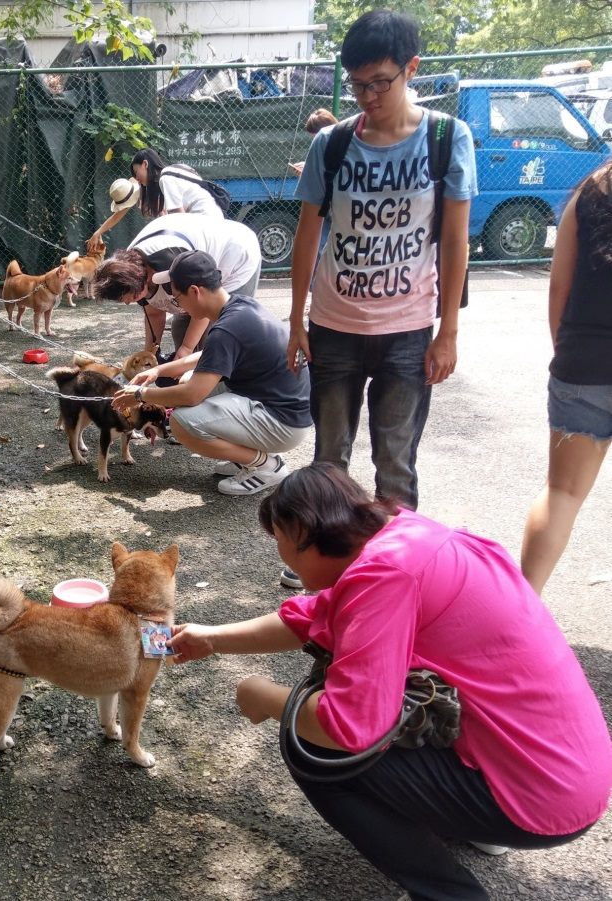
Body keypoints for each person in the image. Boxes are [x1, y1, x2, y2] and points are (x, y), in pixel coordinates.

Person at [169, 463, 612, 901]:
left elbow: (348, 727)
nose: (281, 556)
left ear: (306, 536)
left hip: (538, 799)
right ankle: (469, 815)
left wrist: (264, 698)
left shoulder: (385, 577)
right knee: (359, 695)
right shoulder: (407, 536)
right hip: (566, 769)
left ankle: (452, 891)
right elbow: (317, 615)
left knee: (315, 750)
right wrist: (212, 639)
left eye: (281, 543)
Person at [287, 10, 477, 509]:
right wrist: (295, 321)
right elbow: (307, 235)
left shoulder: (446, 137)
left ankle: (394, 573)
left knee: (395, 461)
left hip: (408, 330)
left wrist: (448, 331)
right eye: (357, 86)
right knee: (330, 460)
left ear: (411, 68)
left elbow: (456, 241)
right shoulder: (333, 144)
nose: (368, 97)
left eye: (380, 83)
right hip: (333, 326)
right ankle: (326, 566)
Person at [112, 251, 310, 497]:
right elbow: (207, 355)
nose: (178, 306)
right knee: (188, 385)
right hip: (282, 408)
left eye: (177, 297)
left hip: (282, 423)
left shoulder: (227, 328)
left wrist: (141, 395)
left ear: (195, 291)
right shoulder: (239, 306)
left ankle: (267, 465)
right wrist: (158, 371)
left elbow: (192, 395)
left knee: (182, 422)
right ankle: (245, 457)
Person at [521, 160, 612, 594]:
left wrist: (568, 354)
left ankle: (521, 613)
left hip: (583, 362)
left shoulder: (592, 191)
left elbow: (559, 287)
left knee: (562, 494)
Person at [92, 213, 262, 369]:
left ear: (135, 280)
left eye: (128, 297)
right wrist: (150, 355)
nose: (129, 302)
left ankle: (222, 390)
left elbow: (204, 305)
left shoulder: (168, 262)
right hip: (191, 268)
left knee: (221, 332)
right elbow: (154, 314)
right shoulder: (130, 269)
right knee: (180, 328)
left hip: (235, 255)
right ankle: (190, 384)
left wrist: (186, 349)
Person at [90, 147, 225, 242]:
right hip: (213, 220)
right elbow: (119, 214)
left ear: (145, 164)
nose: (137, 178)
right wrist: (98, 232)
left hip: (204, 224)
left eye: (137, 172)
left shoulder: (165, 179)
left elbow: (180, 217)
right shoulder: (168, 174)